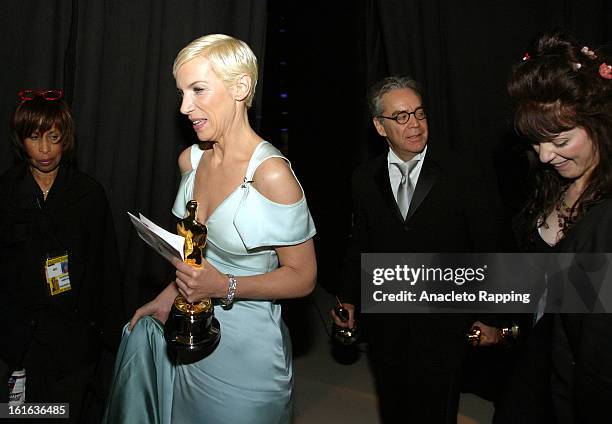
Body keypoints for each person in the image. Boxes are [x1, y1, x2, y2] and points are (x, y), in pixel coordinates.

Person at [102, 34, 317, 423]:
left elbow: (304, 278)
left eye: (198, 89)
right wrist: (169, 295)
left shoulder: (272, 175)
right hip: (192, 344)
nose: (185, 107)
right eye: (182, 92)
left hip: (250, 359)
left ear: (241, 87)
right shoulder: (191, 161)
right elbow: (196, 254)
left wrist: (225, 286)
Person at [331, 75, 507, 423]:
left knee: (438, 407)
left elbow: (491, 244)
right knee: (393, 401)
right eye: (401, 117)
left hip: (444, 318)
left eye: (419, 113)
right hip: (386, 317)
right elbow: (360, 242)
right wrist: (348, 296)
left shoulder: (463, 172)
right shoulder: (364, 177)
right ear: (380, 127)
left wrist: (492, 317)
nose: (414, 124)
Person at [493, 32, 612, 424]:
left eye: (560, 139)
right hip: (531, 369)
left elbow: (596, 353)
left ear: (601, 127)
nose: (544, 156)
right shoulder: (552, 181)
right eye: (535, 142)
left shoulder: (606, 219)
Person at [0, 90, 124, 422]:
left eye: (53, 138)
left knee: (62, 416)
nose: (44, 149)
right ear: (20, 139)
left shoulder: (88, 194)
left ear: (66, 139)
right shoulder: (6, 192)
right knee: (22, 416)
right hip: (17, 344)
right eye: (34, 137)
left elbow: (106, 269)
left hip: (72, 345)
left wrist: (108, 339)